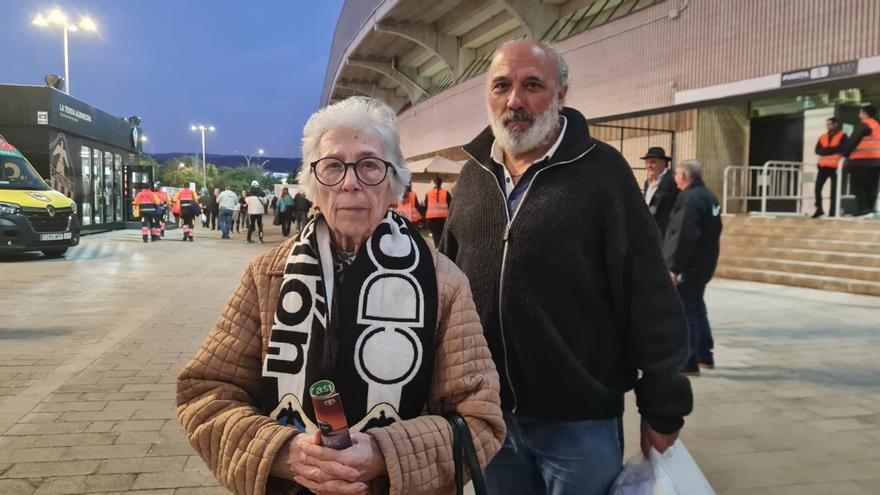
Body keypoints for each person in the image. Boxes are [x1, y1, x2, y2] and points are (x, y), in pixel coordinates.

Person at [177, 96, 504, 495]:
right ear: (315, 186)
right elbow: (206, 393)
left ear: (393, 184)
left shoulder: (442, 281)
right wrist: (285, 451)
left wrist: (386, 453)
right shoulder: (267, 274)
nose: (350, 182)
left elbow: (480, 417)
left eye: (368, 165)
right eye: (333, 166)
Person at [439, 40, 692, 495]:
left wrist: (663, 402)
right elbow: (446, 288)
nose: (515, 100)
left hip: (579, 424)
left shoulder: (602, 173)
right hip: (487, 419)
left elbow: (649, 293)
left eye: (532, 85)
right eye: (502, 86)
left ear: (561, 94)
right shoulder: (473, 177)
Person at [663, 160, 723, 375]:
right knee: (696, 308)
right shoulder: (708, 196)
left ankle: (688, 361)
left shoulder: (689, 198)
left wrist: (673, 267)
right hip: (703, 264)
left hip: (690, 266)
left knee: (686, 311)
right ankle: (705, 355)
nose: (675, 177)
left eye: (677, 173)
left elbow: (683, 235)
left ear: (686, 176)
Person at [842, 104, 880, 218]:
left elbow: (853, 141)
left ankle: (863, 209)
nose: (859, 115)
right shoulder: (877, 125)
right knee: (872, 186)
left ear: (865, 114)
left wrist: (845, 153)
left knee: (858, 185)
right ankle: (869, 210)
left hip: (863, 161)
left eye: (860, 112)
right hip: (876, 161)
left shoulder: (864, 125)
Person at [812, 117, 847, 218]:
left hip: (836, 167)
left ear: (835, 124)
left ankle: (833, 212)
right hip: (823, 167)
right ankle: (819, 209)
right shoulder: (822, 136)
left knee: (834, 190)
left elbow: (842, 148)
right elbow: (817, 150)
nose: (828, 126)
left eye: (830, 124)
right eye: (827, 124)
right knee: (817, 188)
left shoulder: (842, 135)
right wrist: (832, 150)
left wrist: (826, 150)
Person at [642, 146, 678, 237]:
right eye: (647, 162)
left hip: (667, 232)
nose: (649, 165)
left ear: (664, 162)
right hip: (651, 230)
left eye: (653, 162)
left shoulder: (673, 180)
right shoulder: (647, 182)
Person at [424, 176, 451, 245]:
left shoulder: (428, 193)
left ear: (434, 183)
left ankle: (437, 248)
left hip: (432, 219)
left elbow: (426, 206)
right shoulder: (446, 193)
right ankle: (441, 249)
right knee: (442, 236)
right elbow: (450, 206)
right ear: (441, 183)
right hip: (443, 219)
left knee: (435, 236)